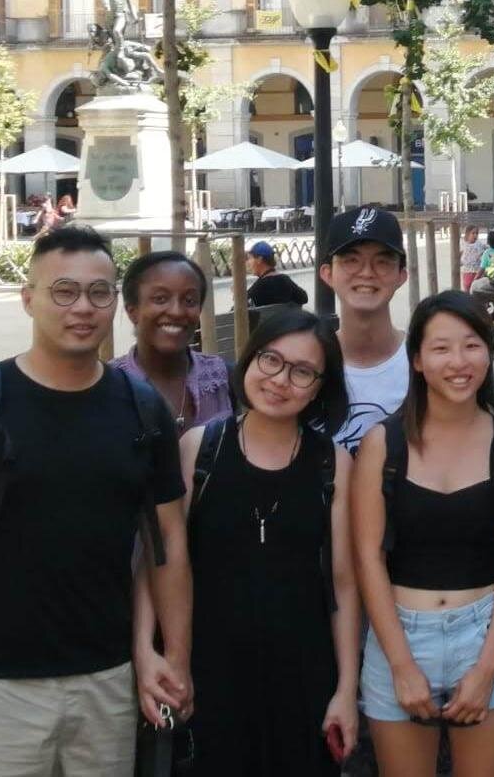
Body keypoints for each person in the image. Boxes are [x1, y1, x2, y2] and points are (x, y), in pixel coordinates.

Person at [0, 225, 192, 775]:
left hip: (105, 681)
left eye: (98, 292)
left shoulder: (141, 409)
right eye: (64, 291)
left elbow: (167, 541)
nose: (83, 307)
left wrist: (173, 657)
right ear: (28, 298)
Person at [140, 306, 359, 774]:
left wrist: (346, 689)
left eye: (302, 372)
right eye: (271, 360)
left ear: (320, 386)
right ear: (249, 358)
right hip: (208, 672)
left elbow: (342, 583)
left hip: (304, 677)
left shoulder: (333, 463)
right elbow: (160, 559)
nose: (280, 380)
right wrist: (147, 651)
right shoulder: (200, 448)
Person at [351, 292, 494, 775]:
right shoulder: (382, 444)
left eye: (471, 345)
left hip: (484, 633)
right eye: (441, 348)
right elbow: (368, 557)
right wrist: (401, 665)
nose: (458, 362)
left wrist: (488, 667)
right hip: (400, 635)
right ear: (416, 360)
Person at [321, 205, 412, 455]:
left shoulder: (423, 364)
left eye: (382, 261)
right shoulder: (306, 364)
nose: (367, 273)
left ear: (401, 275)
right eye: (351, 260)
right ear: (327, 273)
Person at [112, 250, 235, 433]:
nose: (176, 311)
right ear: (132, 311)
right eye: (160, 299)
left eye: (189, 300)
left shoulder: (224, 378)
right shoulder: (109, 386)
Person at [247, 240, 310, 308]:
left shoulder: (259, 287)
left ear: (259, 259)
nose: (248, 262)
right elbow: (304, 298)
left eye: (250, 258)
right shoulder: (285, 279)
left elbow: (241, 306)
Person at [459, 226, 489, 292]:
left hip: (479, 272)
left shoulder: (480, 244)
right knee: (467, 290)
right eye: (473, 233)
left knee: (479, 291)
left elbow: (490, 249)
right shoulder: (463, 244)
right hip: (467, 272)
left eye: (476, 233)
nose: (475, 235)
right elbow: (458, 258)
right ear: (468, 234)